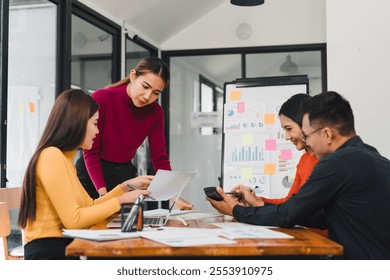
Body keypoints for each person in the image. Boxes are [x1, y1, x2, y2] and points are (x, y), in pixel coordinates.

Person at [207, 91, 390, 259]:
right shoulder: (373, 157)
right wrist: (258, 205)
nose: (307, 141)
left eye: (308, 135)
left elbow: (288, 214)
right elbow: (318, 216)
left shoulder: (338, 162)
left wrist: (236, 210)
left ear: (327, 134)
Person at [18, 89, 152, 260]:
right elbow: (75, 220)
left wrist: (124, 188)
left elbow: (88, 206)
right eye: (95, 123)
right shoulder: (52, 156)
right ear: (78, 123)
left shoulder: (64, 160)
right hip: (49, 253)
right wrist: (122, 200)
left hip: (62, 246)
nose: (97, 131)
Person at [75, 57, 192, 209]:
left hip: (125, 174)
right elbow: (91, 152)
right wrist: (104, 195)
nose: (147, 96)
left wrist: (174, 197)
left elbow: (159, 157)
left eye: (156, 93)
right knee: (91, 225)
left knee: (128, 227)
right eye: (145, 86)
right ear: (133, 76)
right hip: (92, 174)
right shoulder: (101, 98)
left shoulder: (156, 112)